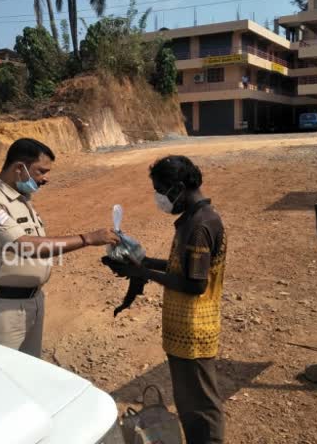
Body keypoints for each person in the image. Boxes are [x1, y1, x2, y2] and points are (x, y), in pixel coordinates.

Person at [102, 155, 226, 444]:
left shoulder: (199, 226)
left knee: (202, 405)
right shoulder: (193, 219)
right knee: (189, 402)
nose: (159, 198)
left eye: (160, 191)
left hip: (194, 329)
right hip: (184, 329)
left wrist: (142, 271)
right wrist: (139, 262)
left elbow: (195, 284)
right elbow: (179, 269)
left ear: (178, 187)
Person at [0, 138, 119, 358]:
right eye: (41, 171)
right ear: (19, 168)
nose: (46, 178)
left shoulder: (20, 199)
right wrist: (87, 238)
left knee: (29, 375)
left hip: (31, 301)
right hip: (2, 307)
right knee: (2, 378)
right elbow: (24, 246)